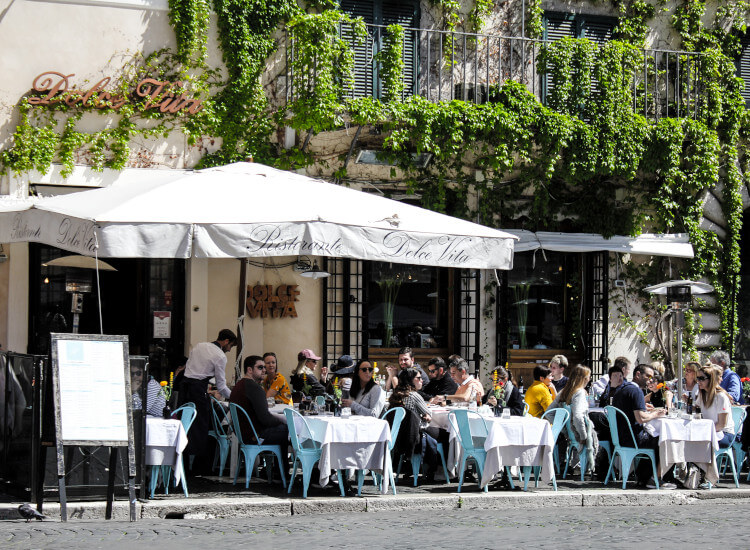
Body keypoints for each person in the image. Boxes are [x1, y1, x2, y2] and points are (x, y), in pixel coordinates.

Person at [179, 328, 236, 474]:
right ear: (226, 341)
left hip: (184, 389)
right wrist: (235, 396)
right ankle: (198, 467)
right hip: (198, 391)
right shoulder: (220, 356)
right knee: (200, 427)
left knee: (184, 425)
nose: (229, 350)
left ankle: (182, 462)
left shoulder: (199, 346)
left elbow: (193, 369)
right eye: (230, 346)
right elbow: (222, 386)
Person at [611, 363, 671, 488]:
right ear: (638, 374)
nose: (650, 379)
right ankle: (656, 478)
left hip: (620, 437)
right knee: (666, 440)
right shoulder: (636, 391)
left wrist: (645, 408)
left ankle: (643, 477)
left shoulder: (622, 388)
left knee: (656, 437)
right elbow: (641, 418)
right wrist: (656, 414)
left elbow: (631, 410)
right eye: (648, 376)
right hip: (633, 437)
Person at [229, 355, 289, 472]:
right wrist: (282, 420)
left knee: (283, 429)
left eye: (264, 367)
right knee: (289, 431)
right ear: (249, 370)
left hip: (242, 435)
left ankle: (276, 472)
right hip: (254, 436)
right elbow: (265, 419)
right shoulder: (254, 388)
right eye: (260, 367)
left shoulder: (239, 385)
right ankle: (282, 473)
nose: (264, 370)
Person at [388, 368, 439, 480]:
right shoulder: (414, 395)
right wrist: (424, 416)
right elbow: (428, 413)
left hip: (398, 438)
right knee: (445, 434)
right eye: (419, 378)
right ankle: (439, 471)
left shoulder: (395, 395)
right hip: (414, 436)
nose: (422, 381)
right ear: (410, 380)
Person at [547, 365, 598, 474]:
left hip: (570, 434)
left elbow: (549, 412)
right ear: (584, 378)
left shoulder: (563, 392)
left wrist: (564, 429)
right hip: (578, 434)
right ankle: (592, 467)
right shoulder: (579, 393)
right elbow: (578, 416)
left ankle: (578, 464)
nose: (590, 379)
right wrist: (583, 436)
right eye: (589, 376)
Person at [695, 364, 734, 449]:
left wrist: (705, 432)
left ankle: (704, 462)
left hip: (724, 433)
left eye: (701, 378)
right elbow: (695, 410)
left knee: (700, 443)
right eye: (697, 378)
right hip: (709, 430)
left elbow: (721, 424)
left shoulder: (721, 397)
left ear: (711, 379)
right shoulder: (702, 394)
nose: (698, 381)